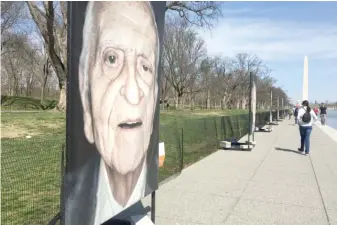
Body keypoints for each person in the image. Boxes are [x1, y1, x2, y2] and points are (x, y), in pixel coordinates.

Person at [68, 2, 161, 225]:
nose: (132, 92)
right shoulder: (73, 201)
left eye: (145, 66)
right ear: (85, 91)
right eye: (111, 59)